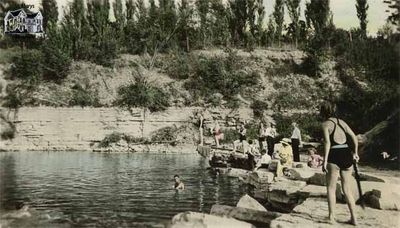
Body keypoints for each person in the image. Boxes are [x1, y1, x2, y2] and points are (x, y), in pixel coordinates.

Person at [321, 102, 359, 225]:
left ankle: (332, 217)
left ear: (323, 112)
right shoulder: (342, 122)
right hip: (347, 153)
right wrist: (356, 153)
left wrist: (325, 160)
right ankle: (354, 219)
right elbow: (354, 137)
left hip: (334, 155)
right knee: (347, 189)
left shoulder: (325, 124)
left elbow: (327, 143)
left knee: (331, 188)